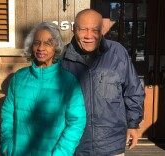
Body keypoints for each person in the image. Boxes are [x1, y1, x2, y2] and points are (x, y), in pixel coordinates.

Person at [60, 9, 145, 156]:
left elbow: (133, 90)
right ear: (74, 29)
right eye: (83, 29)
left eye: (95, 30)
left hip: (110, 144)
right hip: (73, 145)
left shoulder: (117, 52)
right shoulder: (61, 58)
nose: (89, 35)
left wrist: (133, 124)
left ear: (102, 31)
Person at [0, 22, 86, 156]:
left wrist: (61, 153)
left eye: (48, 43)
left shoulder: (68, 81)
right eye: (37, 42)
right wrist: (7, 145)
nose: (41, 48)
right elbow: (7, 113)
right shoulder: (19, 77)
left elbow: (76, 121)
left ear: (56, 46)